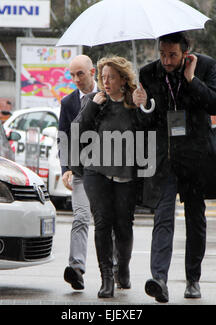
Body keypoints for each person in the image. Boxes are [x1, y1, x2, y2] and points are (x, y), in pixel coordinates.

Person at [133, 32, 216, 303]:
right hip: (166, 159)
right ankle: (159, 279)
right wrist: (140, 107)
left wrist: (191, 79)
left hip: (196, 159)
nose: (166, 60)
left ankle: (192, 279)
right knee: (163, 217)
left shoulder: (205, 66)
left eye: (172, 55)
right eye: (162, 54)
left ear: (186, 51)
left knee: (195, 220)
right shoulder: (148, 73)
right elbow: (144, 125)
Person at [73, 56, 144, 298]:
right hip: (97, 171)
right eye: (103, 77)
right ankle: (106, 278)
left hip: (125, 173)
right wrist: (92, 105)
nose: (106, 81)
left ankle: (121, 267)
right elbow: (78, 129)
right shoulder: (96, 101)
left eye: (111, 77)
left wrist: (141, 105)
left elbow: (149, 129)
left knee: (123, 225)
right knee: (102, 223)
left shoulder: (134, 102)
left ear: (123, 79)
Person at [58, 54, 97, 290]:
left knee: (107, 222)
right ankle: (76, 269)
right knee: (81, 217)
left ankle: (114, 268)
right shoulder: (68, 103)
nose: (76, 79)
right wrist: (66, 169)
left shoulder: (108, 96)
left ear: (92, 72)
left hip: (105, 170)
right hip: (81, 171)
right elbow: (63, 137)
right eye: (72, 75)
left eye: (80, 73)